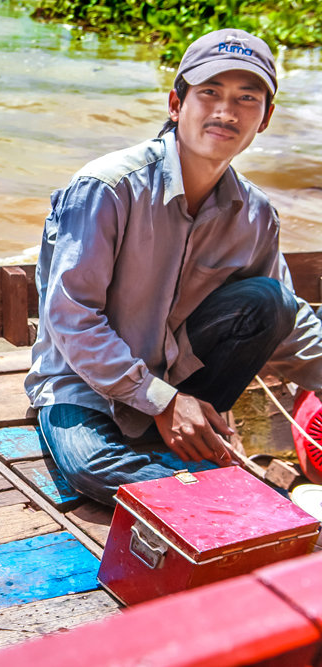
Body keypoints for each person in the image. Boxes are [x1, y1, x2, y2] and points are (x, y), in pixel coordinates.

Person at [25, 28, 322, 506]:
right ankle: (213, 484)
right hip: (84, 384)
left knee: (269, 301)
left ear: (265, 119)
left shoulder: (257, 212)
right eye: (210, 93)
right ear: (175, 104)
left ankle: (195, 463)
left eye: (246, 99)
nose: (226, 112)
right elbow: (70, 317)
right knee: (91, 468)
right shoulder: (108, 187)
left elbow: (289, 323)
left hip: (177, 374)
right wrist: (162, 400)